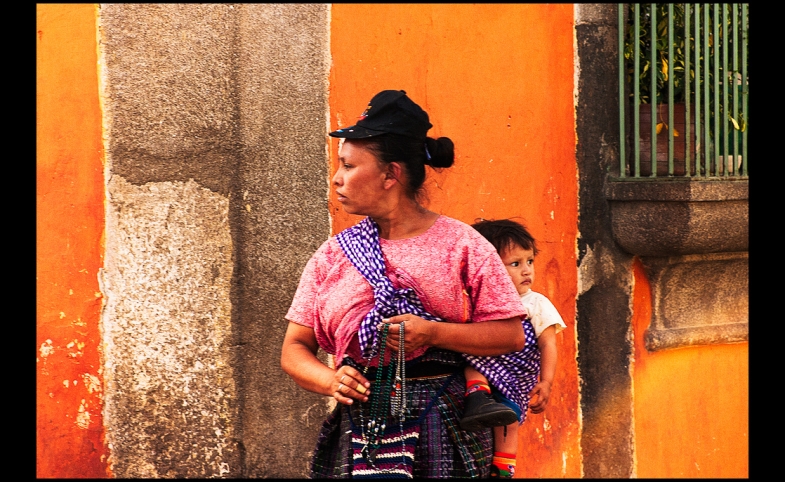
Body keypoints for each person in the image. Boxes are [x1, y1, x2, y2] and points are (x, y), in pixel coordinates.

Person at [280, 90, 528, 478]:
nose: (337, 178)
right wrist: (330, 380)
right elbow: (294, 349)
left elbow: (511, 335)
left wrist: (431, 332)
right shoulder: (334, 254)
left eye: (348, 166)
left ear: (390, 174)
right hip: (363, 426)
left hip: (443, 425)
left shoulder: (461, 245)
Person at [460, 219, 567, 478]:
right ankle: (478, 397)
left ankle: (504, 468)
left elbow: (547, 342)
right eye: (515, 264)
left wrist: (547, 381)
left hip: (517, 378)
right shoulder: (475, 303)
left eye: (529, 261)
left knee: (509, 418)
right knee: (471, 362)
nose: (527, 271)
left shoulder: (536, 303)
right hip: (482, 373)